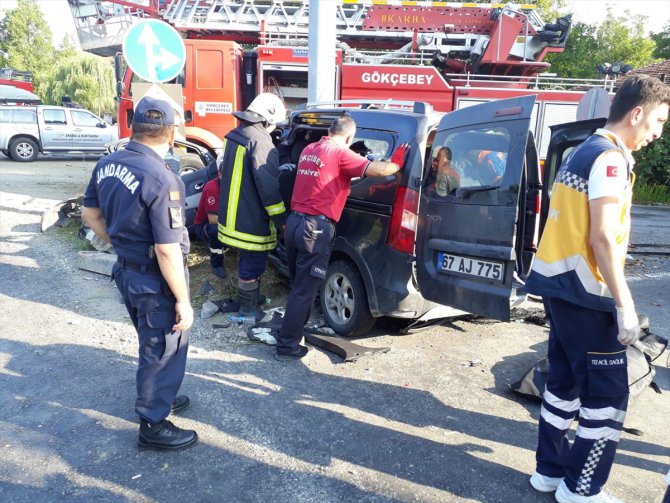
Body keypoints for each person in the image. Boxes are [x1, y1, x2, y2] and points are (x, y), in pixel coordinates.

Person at [524, 75, 670, 502]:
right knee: (607, 396)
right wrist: (625, 305)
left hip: (561, 289)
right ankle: (581, 487)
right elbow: (602, 237)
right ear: (637, 113)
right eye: (659, 121)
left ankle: (549, 472)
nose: (658, 133)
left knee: (563, 384)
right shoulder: (610, 159)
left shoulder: (581, 150)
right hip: (588, 295)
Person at [82, 96, 198, 451]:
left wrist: (120, 244)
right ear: (170, 131)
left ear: (134, 127)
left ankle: (160, 396)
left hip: (128, 271)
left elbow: (90, 216)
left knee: (152, 341)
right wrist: (183, 299)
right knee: (163, 347)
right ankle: (153, 422)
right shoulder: (163, 177)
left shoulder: (107, 163)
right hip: (154, 277)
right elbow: (166, 248)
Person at [274, 115, 400, 361]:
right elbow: (377, 170)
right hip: (315, 229)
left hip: (295, 224)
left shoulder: (310, 148)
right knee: (304, 290)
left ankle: (291, 335)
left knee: (298, 286)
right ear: (349, 136)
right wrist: (397, 162)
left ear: (330, 130)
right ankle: (287, 346)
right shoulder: (340, 152)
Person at [218, 93, 288, 320]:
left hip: (231, 217)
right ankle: (248, 310)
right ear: (268, 119)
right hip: (250, 221)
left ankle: (248, 298)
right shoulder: (261, 142)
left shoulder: (233, 136)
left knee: (246, 261)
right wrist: (282, 220)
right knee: (253, 264)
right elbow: (268, 188)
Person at [188, 166, 227, 279]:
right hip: (204, 225)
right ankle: (217, 263)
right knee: (215, 230)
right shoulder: (213, 188)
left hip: (225, 220)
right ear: (220, 174)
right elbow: (213, 219)